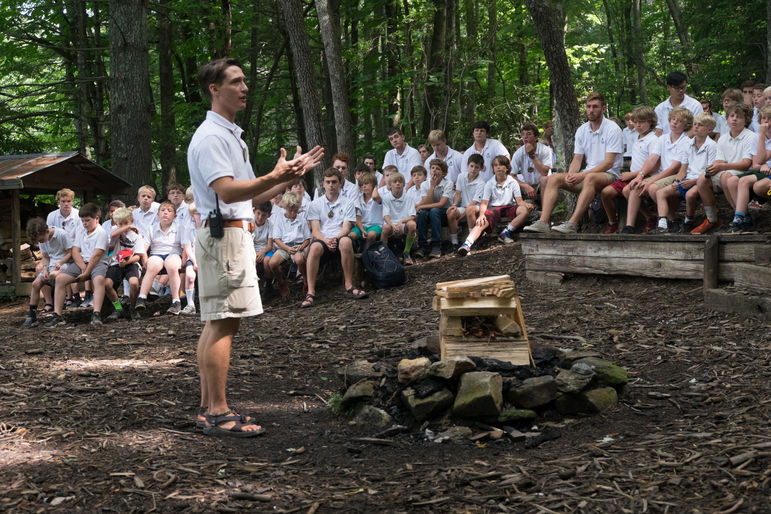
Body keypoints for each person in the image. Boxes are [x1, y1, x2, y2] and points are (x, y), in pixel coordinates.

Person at [187, 57, 322, 437]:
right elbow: (227, 190)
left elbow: (256, 191)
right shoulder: (212, 137)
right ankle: (217, 411)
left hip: (233, 233)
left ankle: (207, 407)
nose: (245, 87)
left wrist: (288, 176)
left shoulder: (231, 135)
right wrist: (274, 174)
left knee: (218, 321)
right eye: (236, 81)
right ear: (214, 89)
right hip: (225, 236)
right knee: (224, 322)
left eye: (245, 80)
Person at [525, 92, 623, 233]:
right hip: (588, 175)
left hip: (609, 175)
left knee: (589, 177)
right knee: (553, 179)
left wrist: (581, 176)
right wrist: (571, 174)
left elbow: (608, 163)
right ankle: (543, 222)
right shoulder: (582, 130)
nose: (591, 110)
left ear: (603, 108)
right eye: (588, 106)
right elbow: (577, 159)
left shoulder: (612, 129)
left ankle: (572, 223)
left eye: (595, 107)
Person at [619, 107, 692, 234]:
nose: (675, 122)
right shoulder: (662, 139)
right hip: (663, 175)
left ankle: (670, 220)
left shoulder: (686, 141)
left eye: (679, 121)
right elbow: (652, 158)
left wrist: (650, 182)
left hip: (677, 175)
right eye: (673, 119)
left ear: (686, 125)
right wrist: (640, 176)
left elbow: (674, 168)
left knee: (652, 188)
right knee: (635, 186)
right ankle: (629, 226)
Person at [303, 167, 366, 308]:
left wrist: (335, 239)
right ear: (323, 183)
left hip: (341, 236)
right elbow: (315, 230)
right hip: (323, 239)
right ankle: (311, 292)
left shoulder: (348, 203)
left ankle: (349, 285)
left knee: (345, 242)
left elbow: (346, 228)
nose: (331, 185)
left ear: (340, 183)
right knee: (314, 248)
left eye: (334, 182)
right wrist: (326, 240)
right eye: (328, 182)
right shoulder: (315, 204)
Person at [691, 103, 757, 234]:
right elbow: (719, 160)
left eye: (739, 117)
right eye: (731, 116)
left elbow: (746, 163)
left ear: (746, 120)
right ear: (726, 119)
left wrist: (722, 166)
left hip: (744, 172)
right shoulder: (723, 139)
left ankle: (741, 215)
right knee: (702, 179)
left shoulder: (750, 136)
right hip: (727, 170)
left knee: (726, 176)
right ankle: (712, 217)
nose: (734, 119)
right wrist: (713, 168)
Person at [651, 113, 717, 233]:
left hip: (703, 180)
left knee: (690, 195)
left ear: (709, 129)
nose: (696, 127)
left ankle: (689, 220)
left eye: (700, 125)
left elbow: (710, 172)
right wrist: (677, 181)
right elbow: (683, 168)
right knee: (660, 193)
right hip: (688, 179)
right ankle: (663, 224)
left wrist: (692, 181)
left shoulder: (711, 145)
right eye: (695, 124)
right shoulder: (688, 144)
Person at [46, 203, 108, 327]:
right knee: (60, 278)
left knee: (99, 280)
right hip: (82, 263)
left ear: (97, 219)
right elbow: (75, 250)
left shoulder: (101, 233)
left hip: (98, 263)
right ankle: (57, 315)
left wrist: (86, 273)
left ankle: (96, 314)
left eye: (87, 220)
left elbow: (96, 256)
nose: (85, 223)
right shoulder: (82, 230)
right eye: (83, 220)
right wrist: (83, 269)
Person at [458, 155, 532, 255]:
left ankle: (506, 232)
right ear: (493, 168)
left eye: (501, 165)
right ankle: (467, 244)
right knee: (482, 221)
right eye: (495, 165)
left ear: (507, 168)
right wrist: (481, 215)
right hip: (494, 208)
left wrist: (526, 205)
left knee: (524, 211)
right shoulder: (489, 183)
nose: (498, 167)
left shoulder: (513, 182)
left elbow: (519, 201)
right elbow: (484, 203)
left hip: (509, 206)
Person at [601, 106, 659, 234]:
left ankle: (644, 219)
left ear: (651, 122)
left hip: (645, 176)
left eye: (642, 122)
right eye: (636, 122)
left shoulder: (654, 139)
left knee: (629, 190)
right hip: (633, 175)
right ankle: (612, 222)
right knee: (606, 192)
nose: (638, 125)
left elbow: (655, 166)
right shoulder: (637, 138)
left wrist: (632, 174)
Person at [724, 104, 771, 232]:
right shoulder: (757, 138)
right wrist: (763, 165)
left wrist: (761, 136)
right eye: (764, 119)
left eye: (769, 119)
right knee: (731, 180)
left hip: (768, 176)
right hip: (762, 171)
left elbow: (761, 158)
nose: (766, 122)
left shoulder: (759, 136)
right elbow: (756, 164)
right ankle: (744, 216)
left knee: (745, 181)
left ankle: (738, 217)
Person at [134, 201, 183, 315]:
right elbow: (143, 247)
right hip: (156, 253)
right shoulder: (151, 228)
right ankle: (141, 298)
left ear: (174, 216)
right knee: (152, 265)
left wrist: (184, 260)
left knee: (172, 265)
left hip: (173, 253)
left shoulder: (179, 228)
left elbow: (185, 244)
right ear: (158, 214)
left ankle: (176, 301)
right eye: (163, 210)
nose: (165, 213)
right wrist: (145, 261)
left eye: (169, 211)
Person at [23, 218, 72, 327]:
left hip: (66, 263)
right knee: (35, 284)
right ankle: (32, 315)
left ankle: (58, 312)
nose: (41, 242)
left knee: (54, 275)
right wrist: (44, 270)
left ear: (46, 231)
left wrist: (60, 262)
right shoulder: (42, 240)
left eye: (41, 240)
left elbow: (71, 253)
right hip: (51, 265)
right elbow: (45, 257)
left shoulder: (62, 234)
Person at [103, 207, 145, 320]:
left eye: (126, 223)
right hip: (115, 263)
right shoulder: (115, 232)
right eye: (120, 224)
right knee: (107, 284)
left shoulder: (137, 236)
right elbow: (112, 236)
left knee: (134, 283)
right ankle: (118, 308)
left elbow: (137, 256)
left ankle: (132, 307)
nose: (123, 226)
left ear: (131, 220)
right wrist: (126, 227)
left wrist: (127, 262)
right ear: (116, 224)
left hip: (131, 263)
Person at [267, 192, 311, 297]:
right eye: (290, 210)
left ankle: (305, 281)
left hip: (297, 246)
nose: (292, 213)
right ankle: (281, 282)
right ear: (285, 208)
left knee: (299, 259)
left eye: (295, 210)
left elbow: (307, 238)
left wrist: (302, 246)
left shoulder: (301, 220)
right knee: (272, 263)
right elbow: (276, 239)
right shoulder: (279, 219)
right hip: (284, 246)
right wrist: (286, 248)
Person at [46, 188, 82, 307]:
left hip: (76, 247)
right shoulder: (52, 216)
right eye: (63, 201)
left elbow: (81, 233)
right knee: (57, 269)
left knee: (70, 266)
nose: (66, 204)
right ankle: (63, 298)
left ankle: (75, 297)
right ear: (59, 202)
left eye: (68, 201)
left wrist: (74, 249)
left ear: (72, 201)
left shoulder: (78, 215)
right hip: (60, 248)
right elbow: (49, 233)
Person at [414, 159, 454, 258]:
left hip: (444, 212)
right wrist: (432, 186)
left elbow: (441, 204)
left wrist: (421, 206)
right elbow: (428, 202)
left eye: (438, 169)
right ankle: (422, 245)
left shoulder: (448, 183)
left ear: (443, 173)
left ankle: (436, 245)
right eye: (432, 168)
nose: (434, 171)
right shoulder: (425, 184)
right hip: (430, 212)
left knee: (434, 210)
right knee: (423, 213)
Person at [447, 153, 485, 251]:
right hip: (464, 206)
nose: (473, 169)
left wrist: (459, 219)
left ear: (481, 168)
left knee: (469, 209)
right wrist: (454, 205)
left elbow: (474, 203)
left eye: (477, 167)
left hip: (476, 208)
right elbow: (458, 194)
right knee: (451, 213)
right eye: (471, 166)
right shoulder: (461, 176)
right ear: (467, 165)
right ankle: (454, 242)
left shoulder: (481, 182)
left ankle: (472, 240)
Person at [510, 122, 554, 204]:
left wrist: (532, 155)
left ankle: (545, 210)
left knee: (543, 179)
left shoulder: (545, 150)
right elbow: (512, 175)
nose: (525, 137)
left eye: (528, 134)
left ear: (536, 137)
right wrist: (525, 186)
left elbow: (544, 172)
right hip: (527, 185)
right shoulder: (518, 153)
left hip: (544, 185)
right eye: (523, 134)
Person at [381, 172, 417, 265]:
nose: (397, 183)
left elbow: (412, 215)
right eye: (395, 182)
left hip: (404, 224)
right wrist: (393, 225)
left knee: (412, 224)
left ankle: (406, 253)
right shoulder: (386, 197)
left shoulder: (408, 197)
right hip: (391, 224)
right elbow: (386, 216)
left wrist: (401, 221)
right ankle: (384, 254)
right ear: (390, 185)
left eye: (400, 182)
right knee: (385, 228)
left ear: (403, 184)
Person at [654, 71, 702, 137]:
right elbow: (658, 131)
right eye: (677, 88)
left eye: (683, 87)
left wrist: (679, 144)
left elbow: (696, 129)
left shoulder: (695, 105)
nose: (681, 91)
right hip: (665, 145)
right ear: (668, 87)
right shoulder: (660, 108)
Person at [180, 187, 201, 315]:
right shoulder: (187, 227)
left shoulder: (207, 225)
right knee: (189, 275)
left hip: (207, 256)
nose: (197, 216)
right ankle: (190, 304)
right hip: (192, 256)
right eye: (195, 213)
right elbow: (187, 247)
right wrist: (194, 262)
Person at [350, 172, 383, 249]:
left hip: (375, 225)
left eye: (366, 183)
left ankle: (365, 251)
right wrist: (362, 230)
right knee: (352, 235)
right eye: (361, 185)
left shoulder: (378, 196)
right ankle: (356, 249)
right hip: (362, 225)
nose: (364, 186)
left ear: (374, 185)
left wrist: (375, 188)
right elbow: (358, 218)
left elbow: (375, 197)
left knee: (371, 234)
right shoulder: (359, 198)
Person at [252, 202, 275, 285]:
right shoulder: (250, 223)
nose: (260, 217)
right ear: (254, 211)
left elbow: (270, 245)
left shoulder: (270, 225)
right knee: (252, 261)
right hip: (253, 249)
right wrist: (255, 253)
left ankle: (268, 284)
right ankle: (253, 284)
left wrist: (262, 252)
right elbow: (248, 243)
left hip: (266, 249)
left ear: (269, 215)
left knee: (267, 261)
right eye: (258, 213)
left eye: (264, 215)